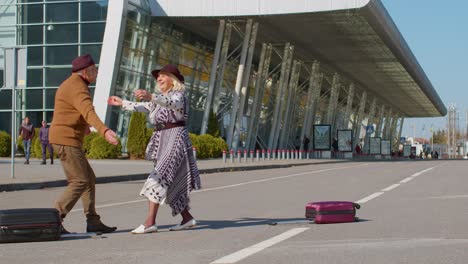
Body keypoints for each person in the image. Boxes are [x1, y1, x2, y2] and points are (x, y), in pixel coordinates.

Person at [108, 64, 201, 234]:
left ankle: (150, 222)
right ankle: (187, 218)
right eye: (158, 76)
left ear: (173, 80)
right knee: (170, 182)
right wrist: (123, 103)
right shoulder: (159, 99)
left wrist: (151, 96)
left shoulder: (178, 96)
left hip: (175, 139)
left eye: (163, 75)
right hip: (163, 139)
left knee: (157, 178)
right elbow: (143, 107)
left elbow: (170, 103)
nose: (159, 78)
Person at [49, 54, 119, 234]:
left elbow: (75, 111)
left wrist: (84, 126)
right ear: (86, 71)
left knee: (89, 178)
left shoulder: (71, 84)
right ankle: (54, 218)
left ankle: (93, 221)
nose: (96, 73)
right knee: (79, 180)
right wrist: (104, 131)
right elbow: (88, 111)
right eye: (95, 70)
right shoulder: (78, 87)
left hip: (66, 138)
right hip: (67, 139)